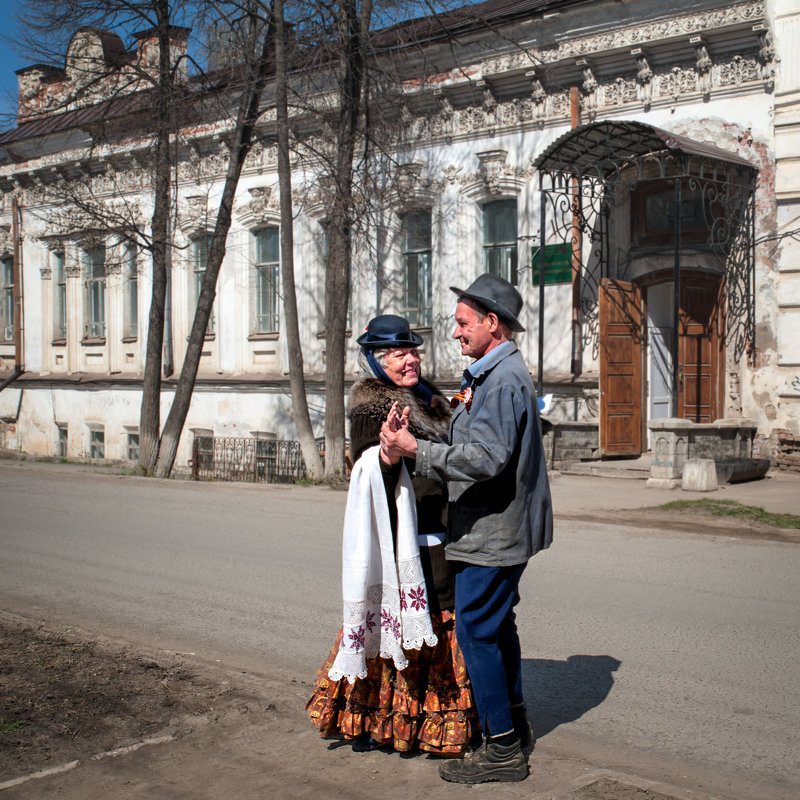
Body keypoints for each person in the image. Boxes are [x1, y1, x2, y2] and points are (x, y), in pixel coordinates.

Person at [380, 274, 553, 783]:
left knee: (477, 634)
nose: (455, 333)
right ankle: (514, 727)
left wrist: (417, 451)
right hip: (494, 528)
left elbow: (487, 458)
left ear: (491, 323)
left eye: (462, 323)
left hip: (491, 533)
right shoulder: (490, 373)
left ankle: (500, 749)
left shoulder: (501, 379)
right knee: (498, 629)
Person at [307, 314, 478, 755]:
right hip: (409, 534)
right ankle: (400, 723)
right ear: (376, 360)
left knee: (439, 623)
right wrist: (386, 455)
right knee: (416, 623)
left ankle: (432, 721)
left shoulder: (430, 396)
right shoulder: (371, 407)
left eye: (413, 350)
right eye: (399, 353)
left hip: (441, 527)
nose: (410, 360)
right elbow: (368, 474)